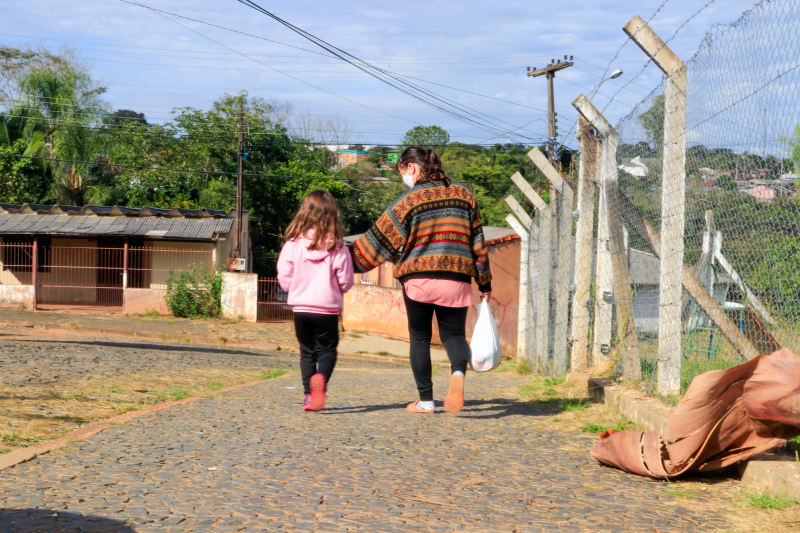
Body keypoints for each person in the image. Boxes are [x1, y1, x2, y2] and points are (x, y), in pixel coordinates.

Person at [350, 146, 492, 414]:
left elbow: (379, 239)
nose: (405, 178)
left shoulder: (409, 201)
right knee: (454, 335)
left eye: (402, 172)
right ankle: (458, 376)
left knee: (420, 337)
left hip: (418, 281)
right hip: (457, 280)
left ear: (412, 168)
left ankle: (426, 401)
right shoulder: (465, 196)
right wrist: (485, 283)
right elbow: (478, 243)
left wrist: (345, 258)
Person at [277, 189, 354, 412]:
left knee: (307, 352)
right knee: (327, 351)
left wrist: (295, 289)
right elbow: (346, 281)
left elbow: (284, 274)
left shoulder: (292, 244)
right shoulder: (338, 246)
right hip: (327, 309)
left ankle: (309, 397)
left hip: (301, 307)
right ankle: (321, 378)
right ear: (332, 214)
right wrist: (337, 290)